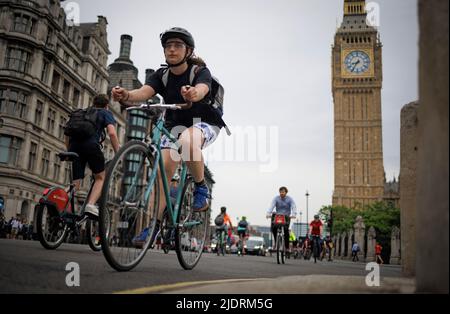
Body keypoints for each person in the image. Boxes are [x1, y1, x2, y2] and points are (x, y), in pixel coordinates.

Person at [112, 27, 224, 230]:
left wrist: (192, 93)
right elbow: (143, 92)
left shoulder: (199, 72)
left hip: (204, 121)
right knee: (163, 169)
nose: (172, 50)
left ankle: (200, 187)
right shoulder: (161, 75)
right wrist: (126, 95)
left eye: (178, 45)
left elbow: (202, 89)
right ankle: (154, 226)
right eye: (168, 46)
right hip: (175, 125)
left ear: (188, 51)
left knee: (187, 142)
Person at [65, 94, 120, 218]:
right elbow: (111, 133)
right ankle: (90, 204)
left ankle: (62, 200)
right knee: (100, 177)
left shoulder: (82, 113)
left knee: (75, 183)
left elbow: (67, 132)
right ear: (107, 106)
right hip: (91, 146)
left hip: (74, 147)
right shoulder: (105, 113)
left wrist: (68, 150)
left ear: (93, 103)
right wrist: (118, 152)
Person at [266, 187, 297, 252]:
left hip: (286, 216)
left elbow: (293, 206)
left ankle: (287, 247)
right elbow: (272, 206)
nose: (281, 193)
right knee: (274, 228)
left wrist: (294, 214)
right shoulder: (276, 198)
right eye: (280, 192)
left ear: (286, 192)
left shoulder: (290, 199)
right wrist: (268, 213)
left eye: (283, 192)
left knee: (286, 230)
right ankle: (276, 243)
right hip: (278, 216)